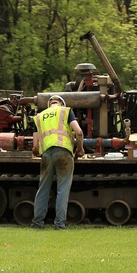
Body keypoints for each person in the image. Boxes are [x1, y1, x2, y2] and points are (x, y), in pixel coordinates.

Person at [31, 95, 85, 229]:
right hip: (64, 153)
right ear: (61, 103)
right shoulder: (66, 111)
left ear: (50, 104)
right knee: (63, 190)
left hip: (46, 154)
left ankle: (37, 223)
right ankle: (59, 224)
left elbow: (35, 146)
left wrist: (39, 152)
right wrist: (80, 149)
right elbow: (78, 131)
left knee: (43, 189)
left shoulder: (39, 117)